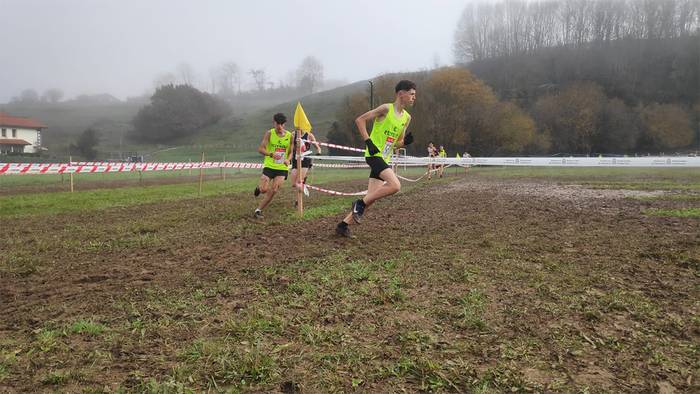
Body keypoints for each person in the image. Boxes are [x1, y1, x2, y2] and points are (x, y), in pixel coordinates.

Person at [335, 80, 416, 238]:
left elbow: (395, 144)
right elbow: (360, 120)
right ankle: (358, 204)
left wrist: (405, 142)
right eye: (412, 94)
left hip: (384, 157)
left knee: (370, 199)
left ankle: (342, 226)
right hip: (373, 155)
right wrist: (368, 142)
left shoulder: (407, 118)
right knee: (395, 185)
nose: (414, 98)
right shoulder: (386, 109)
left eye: (415, 95)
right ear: (401, 94)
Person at [253, 113, 292, 219]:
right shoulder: (269, 133)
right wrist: (271, 154)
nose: (279, 126)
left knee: (274, 190)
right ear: (274, 123)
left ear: (284, 124)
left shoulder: (290, 136)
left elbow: (291, 151)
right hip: (269, 165)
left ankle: (258, 210)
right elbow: (261, 149)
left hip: (282, 168)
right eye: (277, 123)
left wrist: (288, 160)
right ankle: (259, 188)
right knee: (264, 190)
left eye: (281, 124)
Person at [290, 129, 321, 201]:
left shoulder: (309, 135)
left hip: (305, 160)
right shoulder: (293, 134)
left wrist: (319, 153)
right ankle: (304, 186)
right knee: (294, 184)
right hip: (295, 160)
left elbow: (318, 147)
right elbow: (290, 148)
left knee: (299, 181)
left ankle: (298, 200)